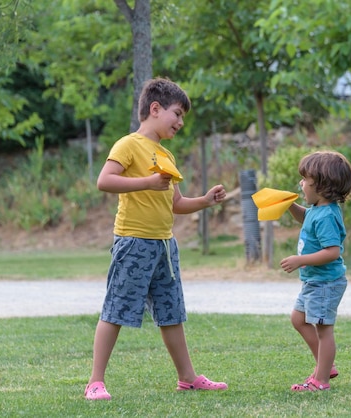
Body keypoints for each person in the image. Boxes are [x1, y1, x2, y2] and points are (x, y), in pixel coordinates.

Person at [84, 78, 228, 400]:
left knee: (171, 312)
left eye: (182, 118)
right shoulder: (128, 145)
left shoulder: (166, 155)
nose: (180, 123)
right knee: (116, 310)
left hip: (165, 245)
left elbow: (176, 204)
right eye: (177, 114)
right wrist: (147, 182)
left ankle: (188, 378)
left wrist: (204, 201)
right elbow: (104, 181)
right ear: (155, 108)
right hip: (134, 243)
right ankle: (95, 381)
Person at [279, 150, 351, 392]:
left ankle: (321, 380)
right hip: (315, 281)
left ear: (321, 186)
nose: (301, 183)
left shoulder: (327, 215)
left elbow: (332, 251)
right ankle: (326, 364)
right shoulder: (317, 210)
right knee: (298, 319)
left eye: (305, 179)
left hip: (325, 282)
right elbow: (306, 218)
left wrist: (301, 260)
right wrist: (290, 205)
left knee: (323, 329)